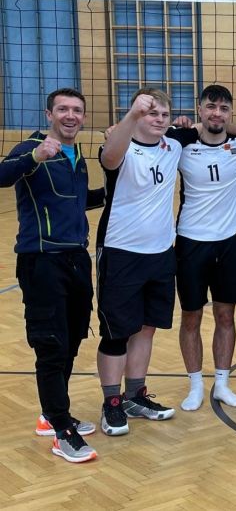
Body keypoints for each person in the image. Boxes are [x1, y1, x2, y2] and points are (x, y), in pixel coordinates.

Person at [0, 88, 102, 463]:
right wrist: (34, 157)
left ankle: (52, 414)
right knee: (51, 345)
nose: (70, 115)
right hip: (41, 261)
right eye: (63, 109)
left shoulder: (77, 156)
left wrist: (115, 191)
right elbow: (1, 176)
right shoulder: (31, 148)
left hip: (76, 260)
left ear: (83, 117)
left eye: (76, 110)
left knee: (72, 338)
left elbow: (77, 201)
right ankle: (62, 431)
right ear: (49, 115)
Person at [96, 88, 182, 436]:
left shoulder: (174, 145)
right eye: (151, 113)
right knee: (116, 332)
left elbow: (214, 126)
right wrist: (131, 117)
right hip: (121, 252)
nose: (159, 119)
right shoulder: (120, 145)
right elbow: (109, 159)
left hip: (160, 253)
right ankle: (112, 402)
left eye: (164, 114)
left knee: (146, 328)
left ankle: (135, 396)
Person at [171, 85, 236, 411]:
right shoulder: (181, 143)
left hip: (229, 243)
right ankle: (195, 386)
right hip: (190, 242)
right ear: (199, 109)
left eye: (223, 108)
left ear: (230, 113)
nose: (217, 113)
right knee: (190, 317)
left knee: (225, 315)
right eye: (211, 107)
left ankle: (222, 384)